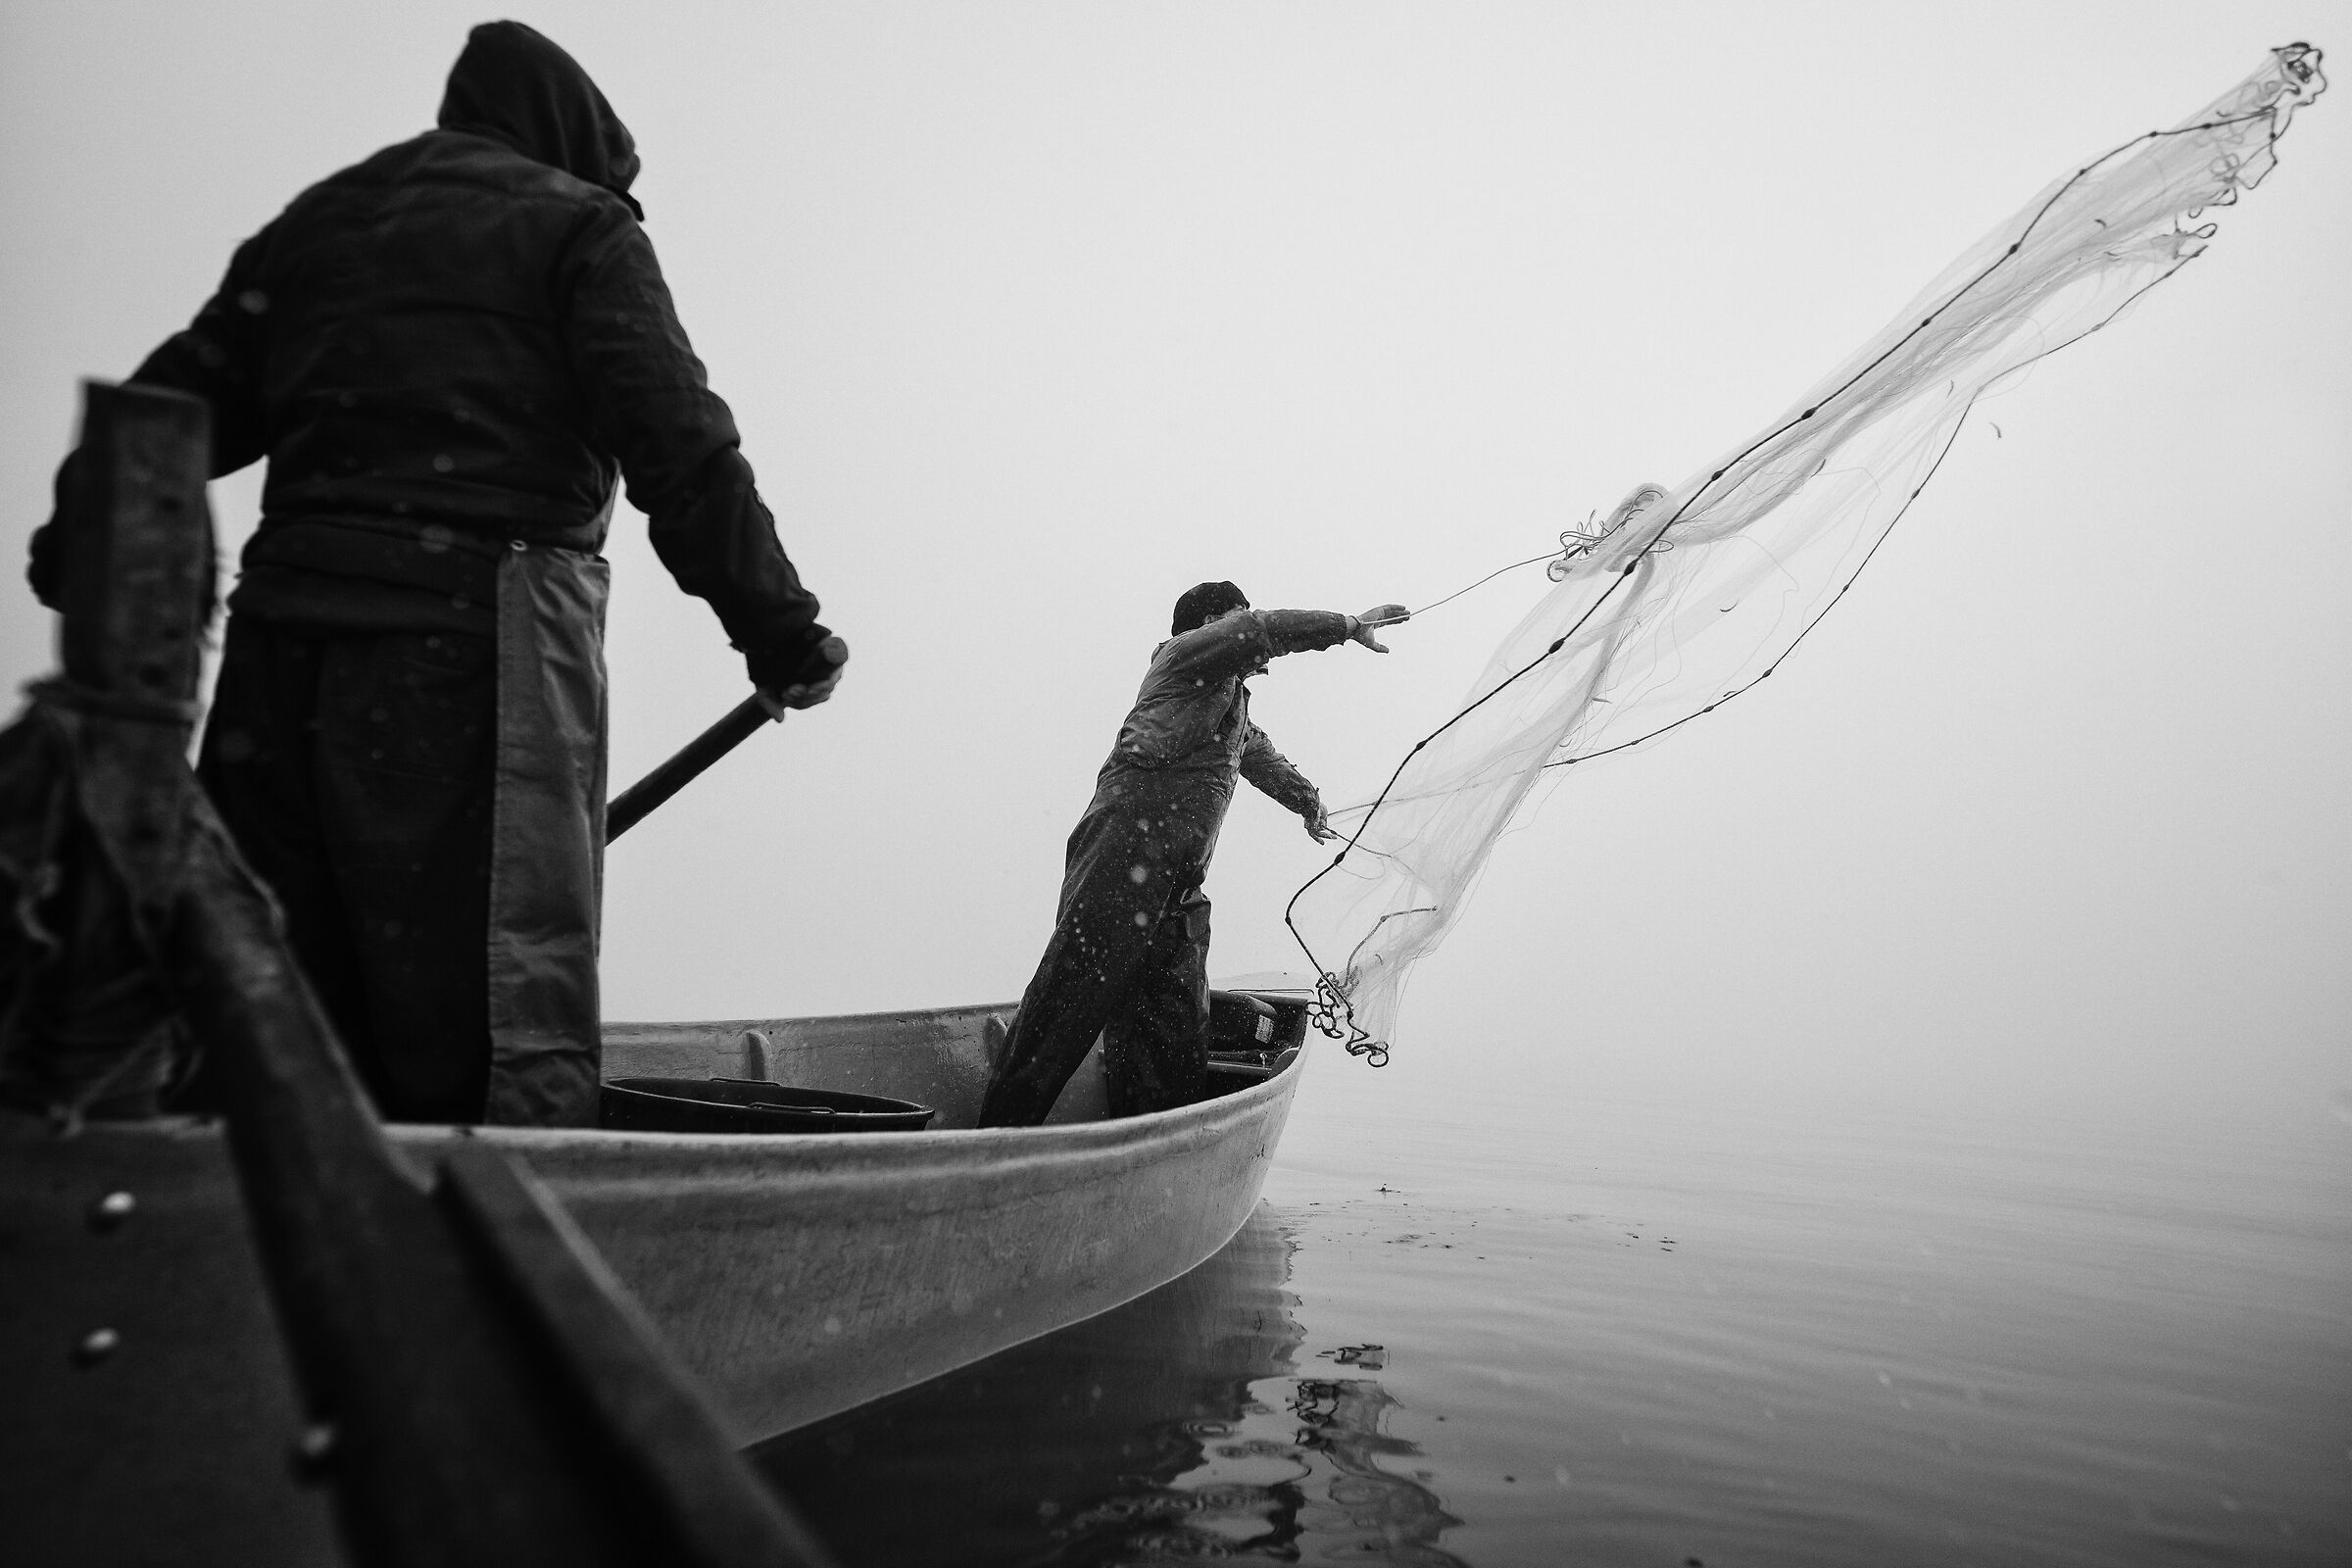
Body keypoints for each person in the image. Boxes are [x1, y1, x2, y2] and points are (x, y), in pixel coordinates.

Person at [24, 22, 842, 1127]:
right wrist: (780, 631)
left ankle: (226, 1250)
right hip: (471, 661)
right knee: (492, 1023)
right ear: (579, 148)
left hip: (277, 673)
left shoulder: (323, 224)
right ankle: (499, 1254)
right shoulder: (579, 228)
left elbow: (170, 407)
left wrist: (74, 537)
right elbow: (681, 447)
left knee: (262, 989)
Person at [977, 582, 1407, 1126]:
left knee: (1173, 1019)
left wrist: (1309, 802)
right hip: (1123, 852)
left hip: (1178, 879)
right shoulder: (1182, 661)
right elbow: (1263, 631)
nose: (1242, 624)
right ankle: (997, 1135)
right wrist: (1345, 626)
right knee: (1072, 997)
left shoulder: (1229, 702)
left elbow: (1259, 756)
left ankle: (1152, 1139)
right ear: (1205, 629)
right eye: (1233, 617)